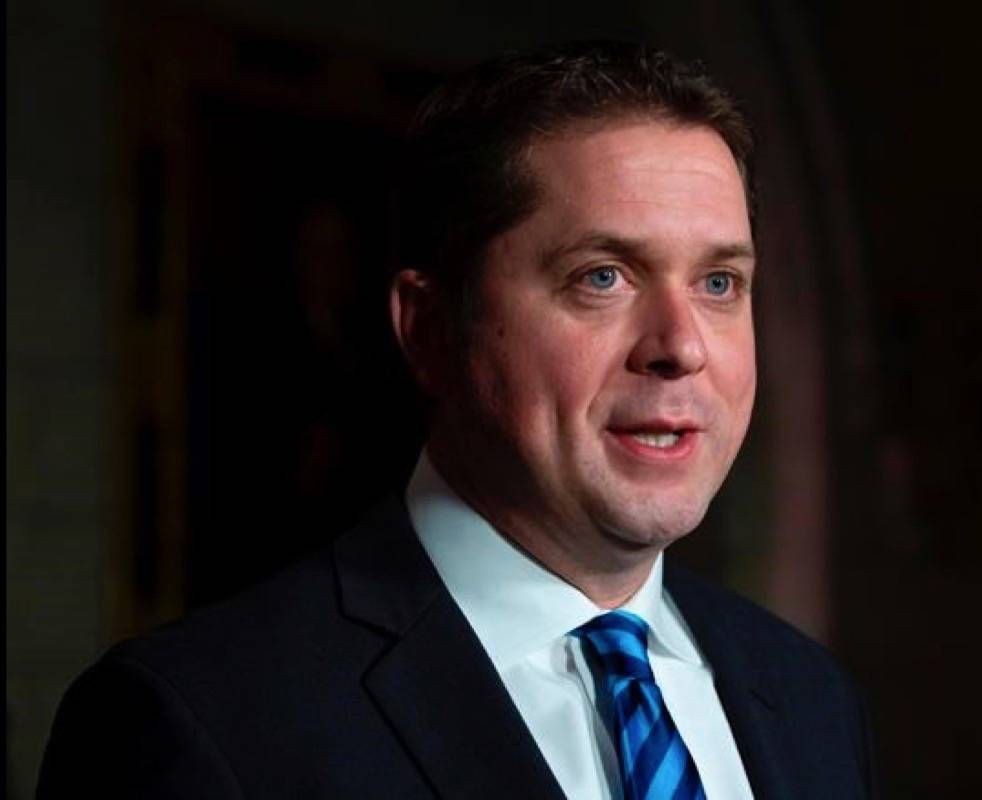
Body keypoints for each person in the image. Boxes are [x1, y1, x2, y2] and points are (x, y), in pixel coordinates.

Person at [37, 41, 876, 799]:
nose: (681, 347)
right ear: (431, 330)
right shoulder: (200, 721)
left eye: (719, 283)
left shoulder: (806, 696)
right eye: (603, 277)